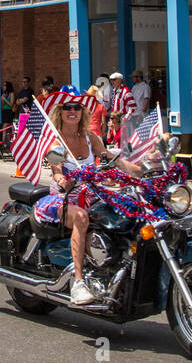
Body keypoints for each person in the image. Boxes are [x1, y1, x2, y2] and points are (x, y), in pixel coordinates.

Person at [36, 86, 139, 304]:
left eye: (77, 107)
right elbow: (56, 170)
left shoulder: (91, 137)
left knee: (124, 210)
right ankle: (79, 282)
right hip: (63, 198)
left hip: (91, 194)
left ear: (82, 112)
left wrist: (142, 170)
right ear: (60, 112)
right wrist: (62, 179)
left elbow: (113, 159)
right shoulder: (56, 143)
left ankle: (114, 266)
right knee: (81, 218)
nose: (72, 111)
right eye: (67, 107)